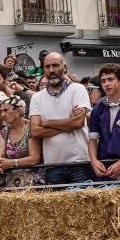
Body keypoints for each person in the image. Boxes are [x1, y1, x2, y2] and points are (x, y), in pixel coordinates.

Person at [29, 51, 92, 185]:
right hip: (53, 165)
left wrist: (46, 122)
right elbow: (35, 131)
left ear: (65, 68)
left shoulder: (78, 89)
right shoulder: (36, 97)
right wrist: (68, 123)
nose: (51, 70)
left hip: (79, 162)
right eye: (47, 66)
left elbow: (78, 123)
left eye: (55, 65)